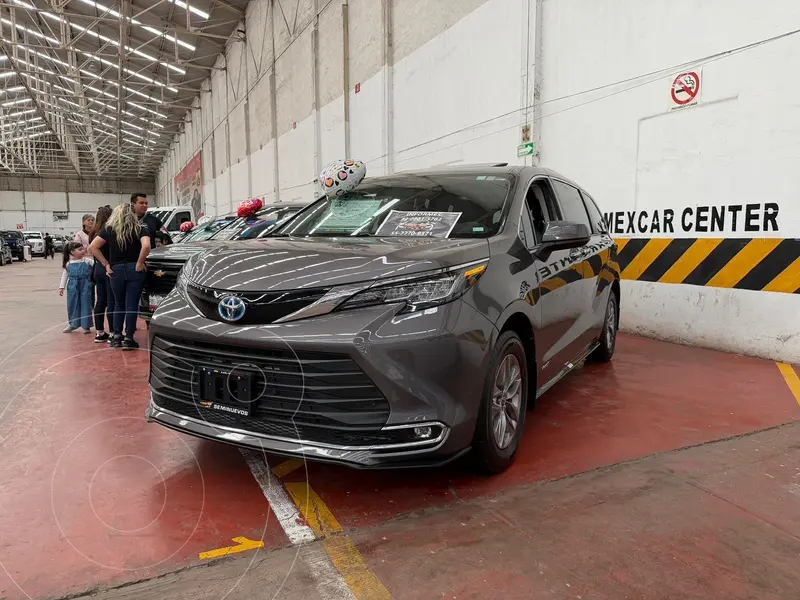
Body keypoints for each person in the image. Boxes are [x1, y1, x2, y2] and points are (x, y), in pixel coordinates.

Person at [89, 203, 151, 350]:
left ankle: (116, 336)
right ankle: (129, 338)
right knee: (132, 305)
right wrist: (140, 262)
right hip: (134, 269)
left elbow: (92, 246)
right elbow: (146, 246)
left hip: (115, 270)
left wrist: (105, 264)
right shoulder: (140, 229)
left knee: (118, 304)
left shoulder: (109, 229)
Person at [89, 206, 115, 343]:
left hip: (97, 269)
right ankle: (112, 333)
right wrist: (106, 263)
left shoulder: (93, 232)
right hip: (108, 268)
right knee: (111, 301)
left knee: (100, 301)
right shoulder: (109, 231)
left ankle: (99, 332)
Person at [59, 242, 94, 334]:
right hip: (72, 286)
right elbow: (65, 275)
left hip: (85, 285)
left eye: (83, 249)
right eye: (80, 249)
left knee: (86, 304)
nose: (83, 251)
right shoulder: (68, 263)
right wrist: (61, 287)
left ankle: (86, 326)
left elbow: (96, 268)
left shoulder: (87, 261)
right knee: (72, 304)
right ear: (72, 252)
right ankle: (73, 324)